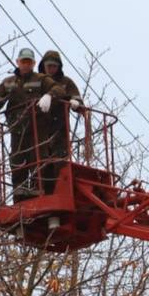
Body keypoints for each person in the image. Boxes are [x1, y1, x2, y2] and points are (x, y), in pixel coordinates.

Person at [0, 48, 74, 201]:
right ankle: (19, 196)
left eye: (29, 62)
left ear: (34, 63)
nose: (26, 65)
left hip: (38, 128)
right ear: (18, 62)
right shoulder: (9, 83)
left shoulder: (41, 79)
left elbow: (59, 89)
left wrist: (49, 95)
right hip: (18, 129)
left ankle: (38, 190)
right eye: (23, 61)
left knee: (39, 160)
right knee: (17, 162)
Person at [36, 49, 82, 194]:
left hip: (59, 129)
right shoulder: (37, 82)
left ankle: (59, 191)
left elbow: (77, 97)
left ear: (59, 67)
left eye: (54, 66)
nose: (51, 68)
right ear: (43, 65)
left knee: (59, 161)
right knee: (40, 162)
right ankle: (40, 191)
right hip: (40, 129)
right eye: (49, 65)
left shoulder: (66, 82)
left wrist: (75, 102)